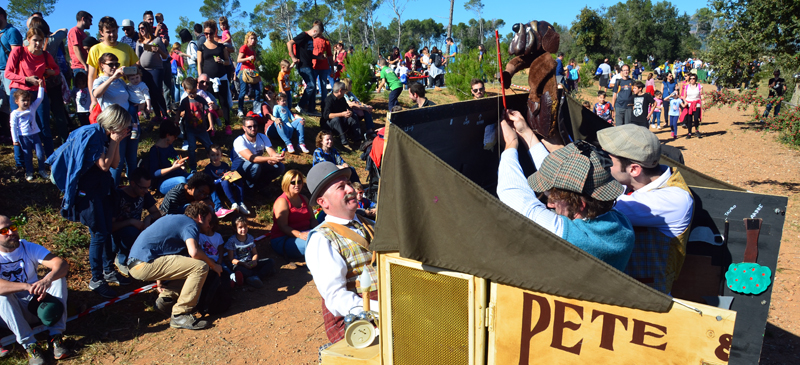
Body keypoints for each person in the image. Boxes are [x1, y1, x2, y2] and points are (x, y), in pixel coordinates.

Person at [496, 109, 634, 271]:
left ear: (581, 206)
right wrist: (527, 134)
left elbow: (512, 193)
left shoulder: (577, 238)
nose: (550, 205)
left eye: (555, 200)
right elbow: (561, 177)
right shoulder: (620, 223)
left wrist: (511, 144)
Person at [45, 104, 132, 298]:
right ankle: (96, 279)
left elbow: (116, 164)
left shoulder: (105, 136)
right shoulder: (92, 135)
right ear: (114, 123)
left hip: (101, 189)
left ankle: (109, 271)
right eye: (124, 126)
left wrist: (116, 142)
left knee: (107, 229)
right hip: (88, 193)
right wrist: (114, 142)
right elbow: (104, 165)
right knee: (99, 234)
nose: (126, 130)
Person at [597, 125, 694, 293]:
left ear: (634, 169)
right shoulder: (632, 182)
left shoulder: (672, 200)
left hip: (649, 299)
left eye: (607, 160)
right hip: (621, 290)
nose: (601, 164)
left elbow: (596, 202)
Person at [305, 161, 377, 344]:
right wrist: (380, 309)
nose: (350, 189)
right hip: (358, 322)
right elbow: (337, 297)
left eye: (348, 183)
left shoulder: (371, 225)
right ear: (323, 202)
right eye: (340, 187)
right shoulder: (322, 239)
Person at [127, 201, 221, 330]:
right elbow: (194, 252)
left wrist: (159, 282)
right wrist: (213, 265)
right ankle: (180, 314)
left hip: (137, 264)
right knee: (200, 266)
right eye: (209, 221)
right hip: (144, 264)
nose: (210, 226)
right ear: (200, 217)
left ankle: (167, 300)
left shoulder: (175, 220)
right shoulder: (190, 223)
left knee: (190, 267)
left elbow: (163, 252)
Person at [0, 215, 71, 364]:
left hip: (37, 303)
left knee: (58, 277)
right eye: (4, 231)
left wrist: (47, 280)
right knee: (2, 296)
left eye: (12, 227)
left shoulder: (27, 247)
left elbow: (62, 265)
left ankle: (55, 337)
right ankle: (31, 346)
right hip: (10, 314)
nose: (11, 233)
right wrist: (26, 286)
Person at [5, 27, 58, 161]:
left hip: (38, 94)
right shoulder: (19, 52)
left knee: (44, 127)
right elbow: (8, 73)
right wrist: (26, 79)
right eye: (35, 40)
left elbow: (56, 70)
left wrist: (48, 72)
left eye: (41, 40)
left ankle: (50, 160)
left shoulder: (45, 55)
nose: (38, 44)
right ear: (28, 40)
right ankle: (21, 163)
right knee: (18, 128)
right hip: (19, 93)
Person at [92, 52, 139, 187]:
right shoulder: (100, 80)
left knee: (131, 159)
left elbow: (129, 97)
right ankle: (113, 190)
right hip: (115, 126)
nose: (114, 67)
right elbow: (96, 94)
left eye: (116, 64)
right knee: (117, 162)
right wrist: (112, 77)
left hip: (129, 123)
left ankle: (133, 188)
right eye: (110, 64)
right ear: (102, 66)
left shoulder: (120, 81)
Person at [111, 167, 161, 277]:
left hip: (136, 228)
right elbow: (111, 227)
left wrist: (148, 218)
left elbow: (157, 213)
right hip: (120, 233)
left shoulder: (144, 194)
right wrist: (130, 222)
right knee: (130, 232)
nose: (146, 191)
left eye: (148, 187)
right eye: (143, 188)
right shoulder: (118, 196)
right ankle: (122, 258)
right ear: (133, 183)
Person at [86, 17, 138, 111]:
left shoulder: (126, 48)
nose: (112, 34)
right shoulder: (95, 50)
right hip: (107, 98)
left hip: (126, 95)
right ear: (101, 32)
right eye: (108, 32)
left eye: (114, 31)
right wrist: (93, 100)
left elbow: (135, 69)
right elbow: (91, 76)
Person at [271, 170, 318, 259]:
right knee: (316, 244)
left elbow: (312, 219)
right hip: (284, 238)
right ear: (286, 184)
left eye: (299, 182)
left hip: (305, 233)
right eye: (293, 182)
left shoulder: (304, 198)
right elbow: (283, 227)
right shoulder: (282, 201)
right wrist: (300, 235)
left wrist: (318, 229)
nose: (297, 185)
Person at [230, 116, 286, 189]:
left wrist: (276, 158)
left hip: (256, 166)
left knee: (280, 167)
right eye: (249, 127)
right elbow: (252, 158)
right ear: (244, 128)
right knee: (255, 166)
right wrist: (270, 158)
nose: (253, 129)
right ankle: (249, 188)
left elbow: (272, 152)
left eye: (255, 126)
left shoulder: (262, 137)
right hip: (238, 171)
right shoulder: (239, 141)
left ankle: (261, 185)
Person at [197, 19, 233, 134]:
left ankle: (228, 125)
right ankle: (211, 126)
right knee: (209, 103)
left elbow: (228, 61)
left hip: (221, 78)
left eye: (210, 33)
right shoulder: (201, 47)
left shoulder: (221, 47)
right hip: (207, 81)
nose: (208, 35)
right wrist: (200, 78)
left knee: (223, 102)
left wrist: (222, 61)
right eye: (206, 33)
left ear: (215, 32)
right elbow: (199, 63)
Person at [10, 84, 49, 181]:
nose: (26, 102)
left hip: (35, 135)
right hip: (23, 137)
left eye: (28, 100)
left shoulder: (32, 108)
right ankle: (29, 172)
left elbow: (40, 98)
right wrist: (15, 140)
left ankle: (42, 170)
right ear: (17, 101)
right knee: (27, 155)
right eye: (23, 100)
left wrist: (41, 86)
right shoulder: (15, 113)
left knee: (40, 154)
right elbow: (13, 127)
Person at [225, 217, 275, 288]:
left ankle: (255, 277)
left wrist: (254, 261)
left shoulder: (250, 238)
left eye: (245, 226)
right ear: (235, 228)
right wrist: (243, 264)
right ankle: (259, 275)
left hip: (250, 263)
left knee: (270, 261)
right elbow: (231, 259)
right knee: (240, 270)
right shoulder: (231, 241)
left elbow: (255, 253)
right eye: (240, 227)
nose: (243, 229)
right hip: (240, 264)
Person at [286, 22, 322, 116]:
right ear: (314, 31)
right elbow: (289, 43)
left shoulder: (310, 38)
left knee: (313, 88)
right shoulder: (303, 35)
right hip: (303, 66)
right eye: (317, 34)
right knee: (311, 85)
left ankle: (311, 109)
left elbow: (308, 54)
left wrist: (318, 57)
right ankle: (300, 105)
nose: (317, 37)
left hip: (309, 65)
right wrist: (293, 57)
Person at [177, 77, 213, 170]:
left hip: (202, 129)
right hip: (190, 130)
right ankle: (193, 167)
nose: (192, 95)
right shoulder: (185, 101)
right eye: (190, 93)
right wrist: (176, 121)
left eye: (194, 92)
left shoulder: (201, 99)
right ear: (184, 90)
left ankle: (214, 163)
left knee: (209, 146)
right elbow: (179, 111)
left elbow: (208, 112)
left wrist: (211, 124)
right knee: (192, 148)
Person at [136, 21, 169, 121]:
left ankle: (165, 115)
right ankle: (157, 114)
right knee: (149, 93)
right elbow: (137, 58)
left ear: (148, 28)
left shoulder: (157, 40)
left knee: (157, 92)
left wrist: (158, 50)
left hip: (156, 69)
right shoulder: (139, 42)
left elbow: (165, 56)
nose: (141, 30)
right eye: (139, 28)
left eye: (143, 27)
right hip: (144, 71)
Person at [204, 144, 248, 217]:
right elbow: (210, 182)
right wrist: (221, 179)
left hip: (228, 186)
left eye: (217, 155)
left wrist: (232, 175)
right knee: (224, 181)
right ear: (208, 156)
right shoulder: (208, 168)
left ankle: (241, 203)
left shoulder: (225, 165)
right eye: (213, 155)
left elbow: (229, 175)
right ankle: (233, 204)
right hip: (217, 188)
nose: (215, 157)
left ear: (221, 155)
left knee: (238, 179)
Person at [321, 82, 364, 149]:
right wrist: (342, 114)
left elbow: (348, 109)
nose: (345, 92)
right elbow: (326, 116)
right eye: (345, 90)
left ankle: (357, 139)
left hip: (341, 122)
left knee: (353, 116)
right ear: (340, 90)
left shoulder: (342, 99)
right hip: (329, 124)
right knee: (336, 119)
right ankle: (344, 142)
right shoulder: (328, 100)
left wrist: (349, 112)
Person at [236, 31, 260, 117]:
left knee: (257, 91)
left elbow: (252, 63)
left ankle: (257, 110)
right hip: (244, 72)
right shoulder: (244, 47)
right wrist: (248, 58)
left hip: (252, 72)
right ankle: (240, 110)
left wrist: (258, 74)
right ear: (247, 39)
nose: (253, 40)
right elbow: (238, 60)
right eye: (251, 38)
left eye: (254, 39)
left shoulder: (253, 51)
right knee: (243, 91)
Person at [312, 28, 333, 113]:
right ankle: (311, 107)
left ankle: (324, 108)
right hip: (313, 66)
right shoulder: (311, 40)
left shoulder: (326, 41)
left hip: (324, 67)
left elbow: (330, 55)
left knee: (323, 87)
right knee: (312, 86)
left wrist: (332, 67)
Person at [679, 74, 703, 139]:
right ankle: (689, 133)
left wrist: (703, 101)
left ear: (696, 79)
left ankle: (697, 130)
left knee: (696, 119)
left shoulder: (699, 86)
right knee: (689, 119)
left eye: (693, 78)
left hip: (696, 104)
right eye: (691, 78)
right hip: (689, 104)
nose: (692, 80)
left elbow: (701, 95)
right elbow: (684, 96)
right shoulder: (687, 87)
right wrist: (685, 101)